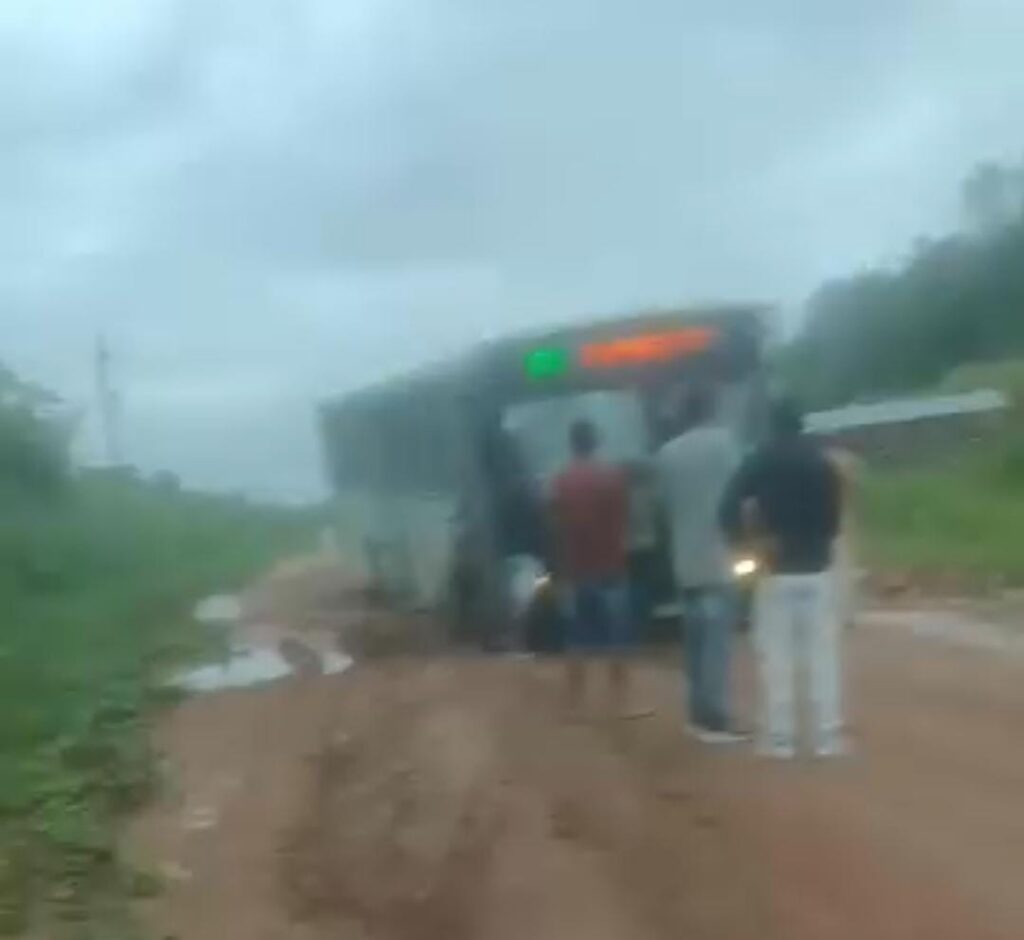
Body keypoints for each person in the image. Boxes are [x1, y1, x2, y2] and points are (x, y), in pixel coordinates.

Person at [720, 398, 844, 759]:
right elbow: (834, 520)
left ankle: (780, 740)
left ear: (771, 424)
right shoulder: (822, 461)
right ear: (802, 423)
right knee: (822, 656)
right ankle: (827, 738)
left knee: (777, 656)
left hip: (775, 570)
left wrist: (746, 544)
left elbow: (727, 507)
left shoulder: (760, 459)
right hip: (817, 569)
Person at [656, 385, 743, 743]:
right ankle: (716, 717)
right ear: (711, 408)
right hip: (719, 558)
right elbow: (741, 491)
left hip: (684, 561)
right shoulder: (726, 443)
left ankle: (696, 713)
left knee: (693, 643)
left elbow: (663, 508)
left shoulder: (667, 454)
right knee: (716, 645)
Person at [550, 419, 638, 717]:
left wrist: (559, 570)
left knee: (576, 639)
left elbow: (555, 528)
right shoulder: (613, 478)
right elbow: (625, 521)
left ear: (572, 444)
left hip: (575, 570)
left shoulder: (561, 481)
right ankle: (621, 703)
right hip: (611, 567)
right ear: (595, 442)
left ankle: (575, 706)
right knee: (618, 638)